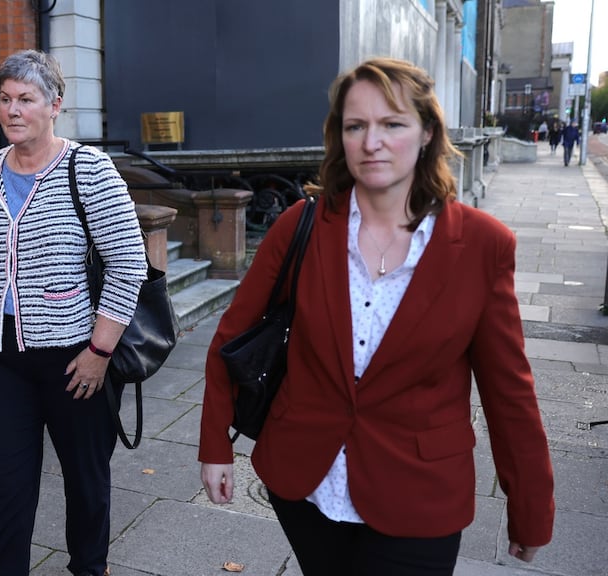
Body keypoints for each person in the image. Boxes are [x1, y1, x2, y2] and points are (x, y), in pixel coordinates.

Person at [199, 58, 554, 575]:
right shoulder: (302, 226)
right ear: (338, 137)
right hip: (307, 485)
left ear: (427, 132)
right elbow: (229, 339)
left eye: (392, 124)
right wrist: (214, 446)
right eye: (356, 126)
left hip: (420, 495)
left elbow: (509, 393)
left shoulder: (481, 245)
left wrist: (530, 508)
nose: (372, 142)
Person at [0, 49, 147, 576]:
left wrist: (99, 351)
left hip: (72, 357)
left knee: (86, 480)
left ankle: (89, 567)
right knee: (1, 485)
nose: (13, 110)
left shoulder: (88, 169)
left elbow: (129, 263)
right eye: (5, 99)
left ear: (54, 104)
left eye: (26, 99)